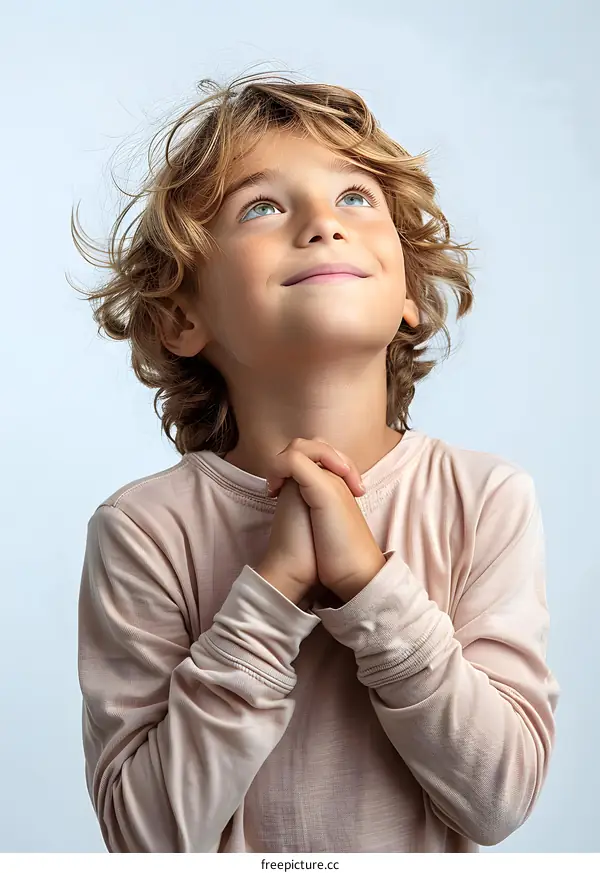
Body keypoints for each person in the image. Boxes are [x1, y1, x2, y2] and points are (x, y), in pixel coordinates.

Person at [73, 71, 559, 853]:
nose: (323, 224)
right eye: (261, 206)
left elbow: (499, 798)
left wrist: (371, 584)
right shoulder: (143, 529)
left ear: (410, 288)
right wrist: (270, 591)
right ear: (181, 316)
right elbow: (146, 840)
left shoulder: (486, 498)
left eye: (356, 198)